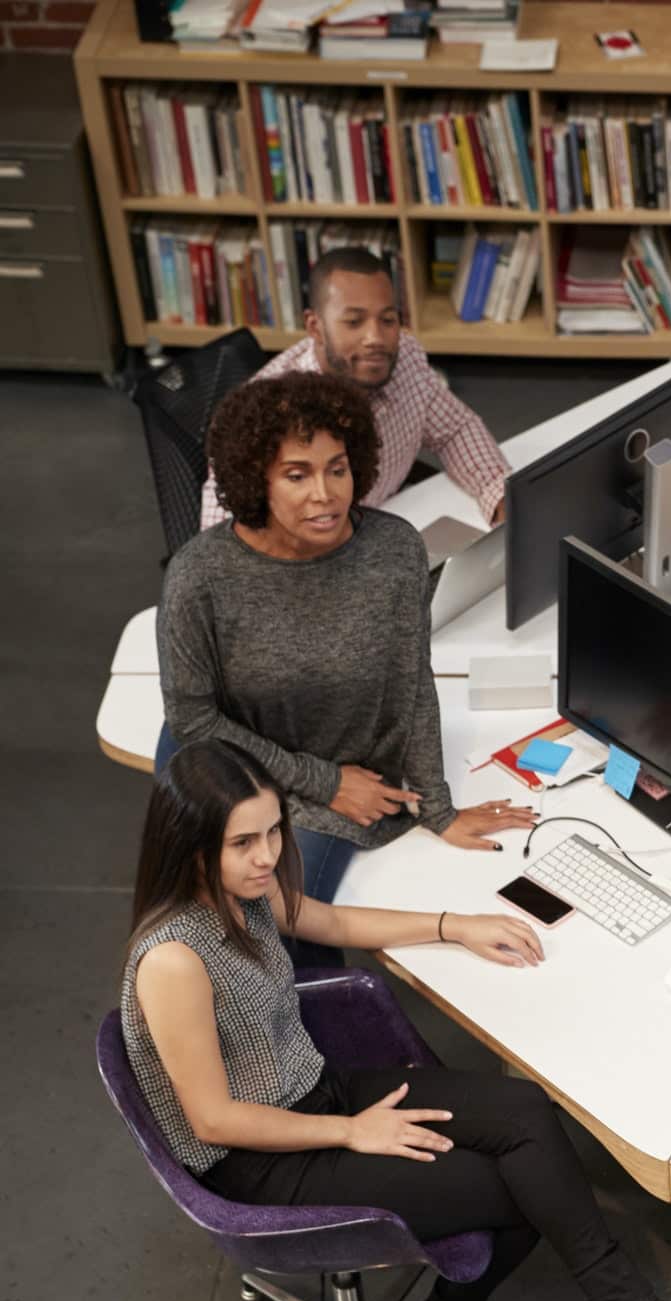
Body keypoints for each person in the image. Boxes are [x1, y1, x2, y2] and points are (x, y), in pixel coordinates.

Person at [123, 743, 671, 1301]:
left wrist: (456, 924)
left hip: (312, 1091)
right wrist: (353, 1132)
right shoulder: (174, 958)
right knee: (518, 1187)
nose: (268, 855)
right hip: (260, 1159)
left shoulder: (243, 892)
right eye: (242, 843)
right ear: (193, 845)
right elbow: (213, 1121)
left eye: (273, 832)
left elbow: (334, 923)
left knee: (526, 1112)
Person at [161, 371, 533, 927]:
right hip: (250, 779)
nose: (326, 493)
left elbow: (412, 685)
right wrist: (324, 783)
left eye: (337, 468)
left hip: (354, 783)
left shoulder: (394, 551)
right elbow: (192, 723)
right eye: (297, 474)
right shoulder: (199, 577)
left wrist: (438, 808)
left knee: (285, 929)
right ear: (254, 478)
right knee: (247, 932)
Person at [199, 247, 511, 530]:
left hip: (383, 528)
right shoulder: (270, 411)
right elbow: (220, 532)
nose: (375, 338)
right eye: (354, 322)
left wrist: (500, 495)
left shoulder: (405, 360)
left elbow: (455, 429)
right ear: (315, 327)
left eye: (387, 320)